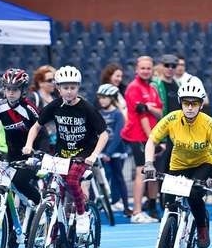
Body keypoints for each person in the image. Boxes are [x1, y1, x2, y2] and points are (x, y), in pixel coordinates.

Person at [23, 65, 108, 237]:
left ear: (78, 87)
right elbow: (36, 126)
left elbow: (104, 134)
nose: (69, 91)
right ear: (58, 88)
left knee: (71, 180)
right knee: (57, 197)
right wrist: (28, 145)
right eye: (65, 88)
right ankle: (52, 246)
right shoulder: (54, 106)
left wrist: (93, 155)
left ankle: (82, 213)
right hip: (61, 156)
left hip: (82, 155)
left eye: (73, 87)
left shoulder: (86, 108)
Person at [143, 76, 212, 248]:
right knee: (169, 201)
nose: (189, 107)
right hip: (178, 165)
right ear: (180, 102)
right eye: (186, 103)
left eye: (194, 103)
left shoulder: (208, 123)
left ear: (201, 104)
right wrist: (149, 163)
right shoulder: (172, 119)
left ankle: (202, 228)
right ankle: (170, 233)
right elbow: (152, 140)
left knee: (194, 194)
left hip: (203, 164)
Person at [0, 68, 46, 248]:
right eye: (8, 89)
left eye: (15, 89)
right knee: (3, 193)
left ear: (23, 90)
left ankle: (41, 204)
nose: (11, 92)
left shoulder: (29, 108)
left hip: (31, 157)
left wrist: (37, 153)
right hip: (12, 156)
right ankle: (11, 240)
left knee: (21, 183)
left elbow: (43, 134)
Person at [120, 56, 163, 223]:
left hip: (149, 136)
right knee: (141, 170)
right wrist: (153, 140)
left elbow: (160, 112)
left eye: (148, 68)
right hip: (137, 136)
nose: (146, 71)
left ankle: (147, 208)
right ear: (137, 70)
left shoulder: (152, 88)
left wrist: (150, 107)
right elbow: (143, 116)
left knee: (149, 172)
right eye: (143, 68)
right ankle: (136, 211)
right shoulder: (134, 88)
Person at [96, 83, 131, 216]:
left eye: (105, 97)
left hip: (115, 152)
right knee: (101, 179)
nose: (102, 100)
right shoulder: (99, 113)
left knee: (118, 178)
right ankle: (100, 204)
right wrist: (100, 152)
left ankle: (126, 207)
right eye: (100, 97)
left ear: (112, 98)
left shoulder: (117, 114)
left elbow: (118, 135)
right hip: (102, 153)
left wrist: (109, 152)